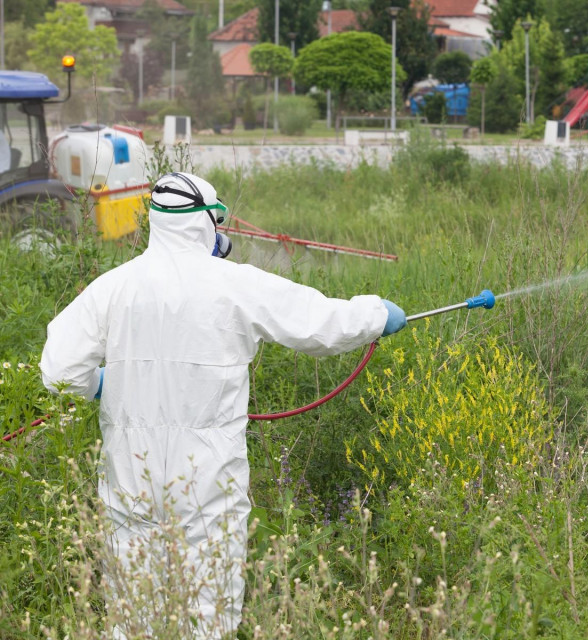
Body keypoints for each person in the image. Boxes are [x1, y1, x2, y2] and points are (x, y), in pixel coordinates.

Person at [40, 172, 407, 638]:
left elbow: (58, 369)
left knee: (133, 613)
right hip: (206, 486)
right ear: (207, 224)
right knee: (208, 611)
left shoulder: (113, 287)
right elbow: (318, 323)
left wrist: (96, 384)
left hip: (132, 480)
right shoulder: (235, 284)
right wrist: (377, 314)